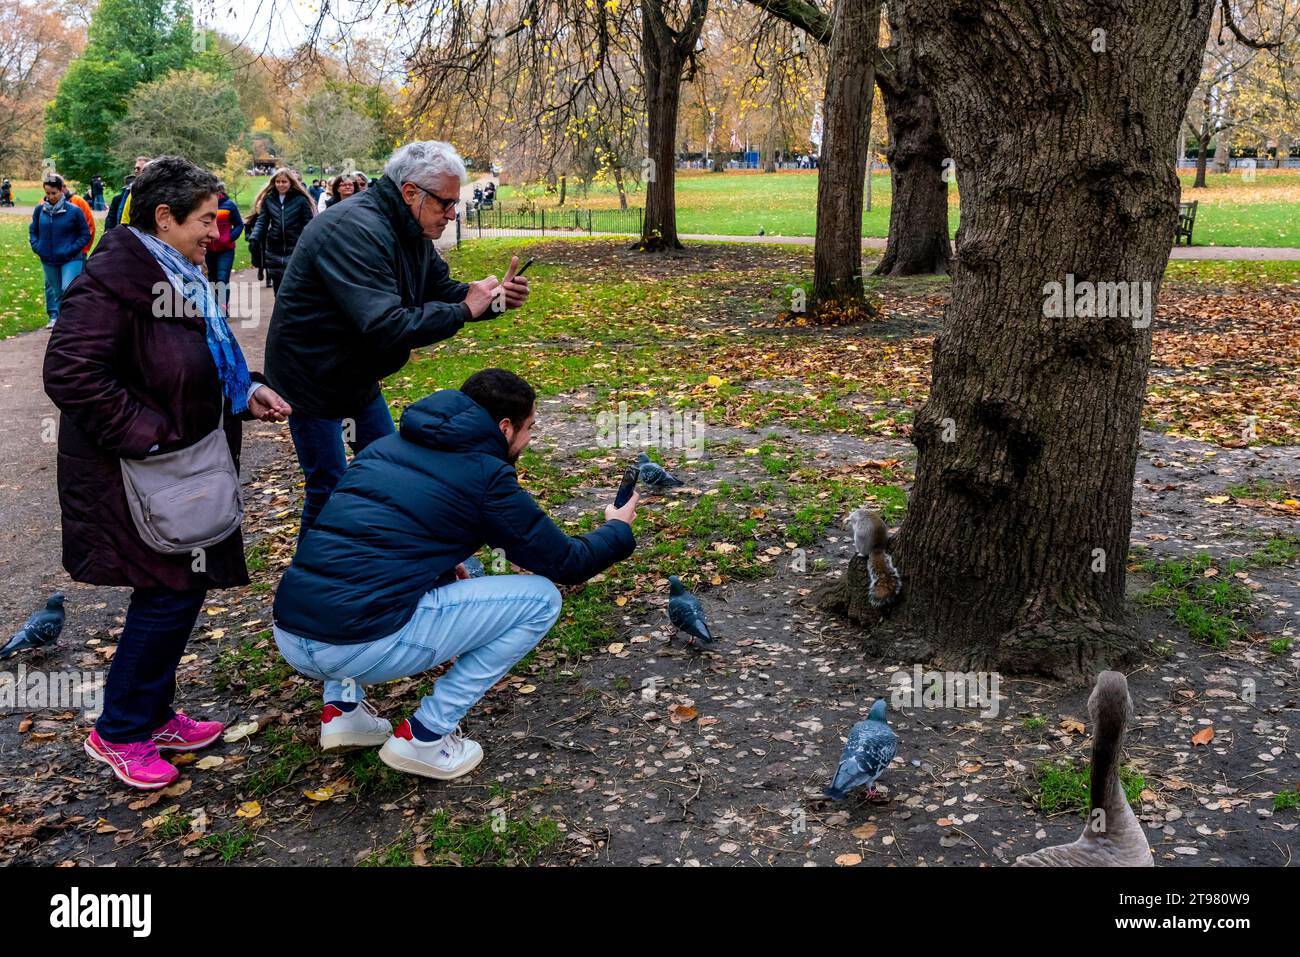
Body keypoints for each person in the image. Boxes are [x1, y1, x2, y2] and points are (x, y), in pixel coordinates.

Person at [43, 155, 292, 791]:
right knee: (170, 587)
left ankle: (151, 715)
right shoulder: (113, 281)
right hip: (138, 472)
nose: (218, 231)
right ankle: (120, 730)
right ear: (164, 217)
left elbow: (203, 353)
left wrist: (246, 390)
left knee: (181, 584)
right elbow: (72, 374)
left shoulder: (174, 271)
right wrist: (153, 437)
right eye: (207, 219)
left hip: (184, 461)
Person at [272, 369, 638, 778]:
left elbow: (377, 537)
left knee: (353, 577)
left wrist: (442, 562)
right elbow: (570, 563)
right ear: (504, 427)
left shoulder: (383, 448)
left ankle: (342, 713)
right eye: (529, 428)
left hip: (290, 631)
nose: (529, 439)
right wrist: (617, 529)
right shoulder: (486, 476)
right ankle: (426, 736)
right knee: (541, 598)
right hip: (356, 643)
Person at [265, 139, 526, 536]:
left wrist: (494, 300)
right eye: (446, 203)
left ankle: (390, 561)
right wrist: (463, 310)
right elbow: (387, 325)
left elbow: (441, 289)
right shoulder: (355, 230)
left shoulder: (409, 228)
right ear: (410, 192)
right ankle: (314, 590)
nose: (452, 214)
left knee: (390, 473)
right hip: (312, 378)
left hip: (356, 376)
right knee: (330, 485)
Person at [29, 174, 90, 327]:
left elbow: (85, 234)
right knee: (57, 293)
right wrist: (38, 247)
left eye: (54, 193)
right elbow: (33, 231)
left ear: (61, 190)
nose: (50, 197)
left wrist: (71, 249)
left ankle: (71, 322)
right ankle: (65, 321)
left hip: (71, 258)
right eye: (47, 193)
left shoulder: (74, 211)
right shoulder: (39, 210)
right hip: (48, 259)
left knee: (68, 288)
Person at [246, 168, 314, 291]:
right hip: (274, 249)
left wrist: (307, 243)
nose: (280, 185)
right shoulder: (269, 199)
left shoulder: (300, 200)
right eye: (278, 182)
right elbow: (262, 221)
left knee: (293, 287)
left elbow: (308, 224)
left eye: (284, 182)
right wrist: (254, 237)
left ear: (291, 182)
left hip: (295, 248)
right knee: (278, 289)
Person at [205, 182, 244, 314]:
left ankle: (222, 310)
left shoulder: (229, 205)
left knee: (222, 278)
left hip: (226, 250)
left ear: (220, 191)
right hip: (208, 249)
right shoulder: (204, 205)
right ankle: (215, 307)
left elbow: (239, 224)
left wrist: (229, 238)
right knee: (212, 279)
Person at [105, 156, 151, 229]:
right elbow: (120, 217)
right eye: (135, 168)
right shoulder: (130, 192)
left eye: (138, 168)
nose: (136, 171)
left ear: (147, 170)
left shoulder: (154, 192)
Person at [65, 182, 95, 258]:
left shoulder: (78, 201)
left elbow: (89, 227)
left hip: (77, 251)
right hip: (52, 254)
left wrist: (82, 248)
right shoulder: (44, 203)